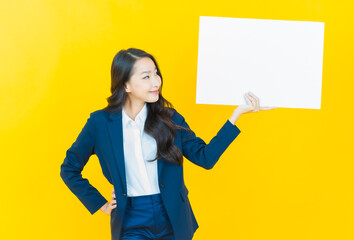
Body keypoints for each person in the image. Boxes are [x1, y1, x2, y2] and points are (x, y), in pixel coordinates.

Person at [60, 48, 276, 240]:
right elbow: (69, 169)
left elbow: (205, 158)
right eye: (146, 77)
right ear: (126, 84)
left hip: (172, 215)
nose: (156, 82)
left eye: (156, 73)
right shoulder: (100, 123)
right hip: (130, 219)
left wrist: (236, 115)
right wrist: (100, 204)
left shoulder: (170, 118)